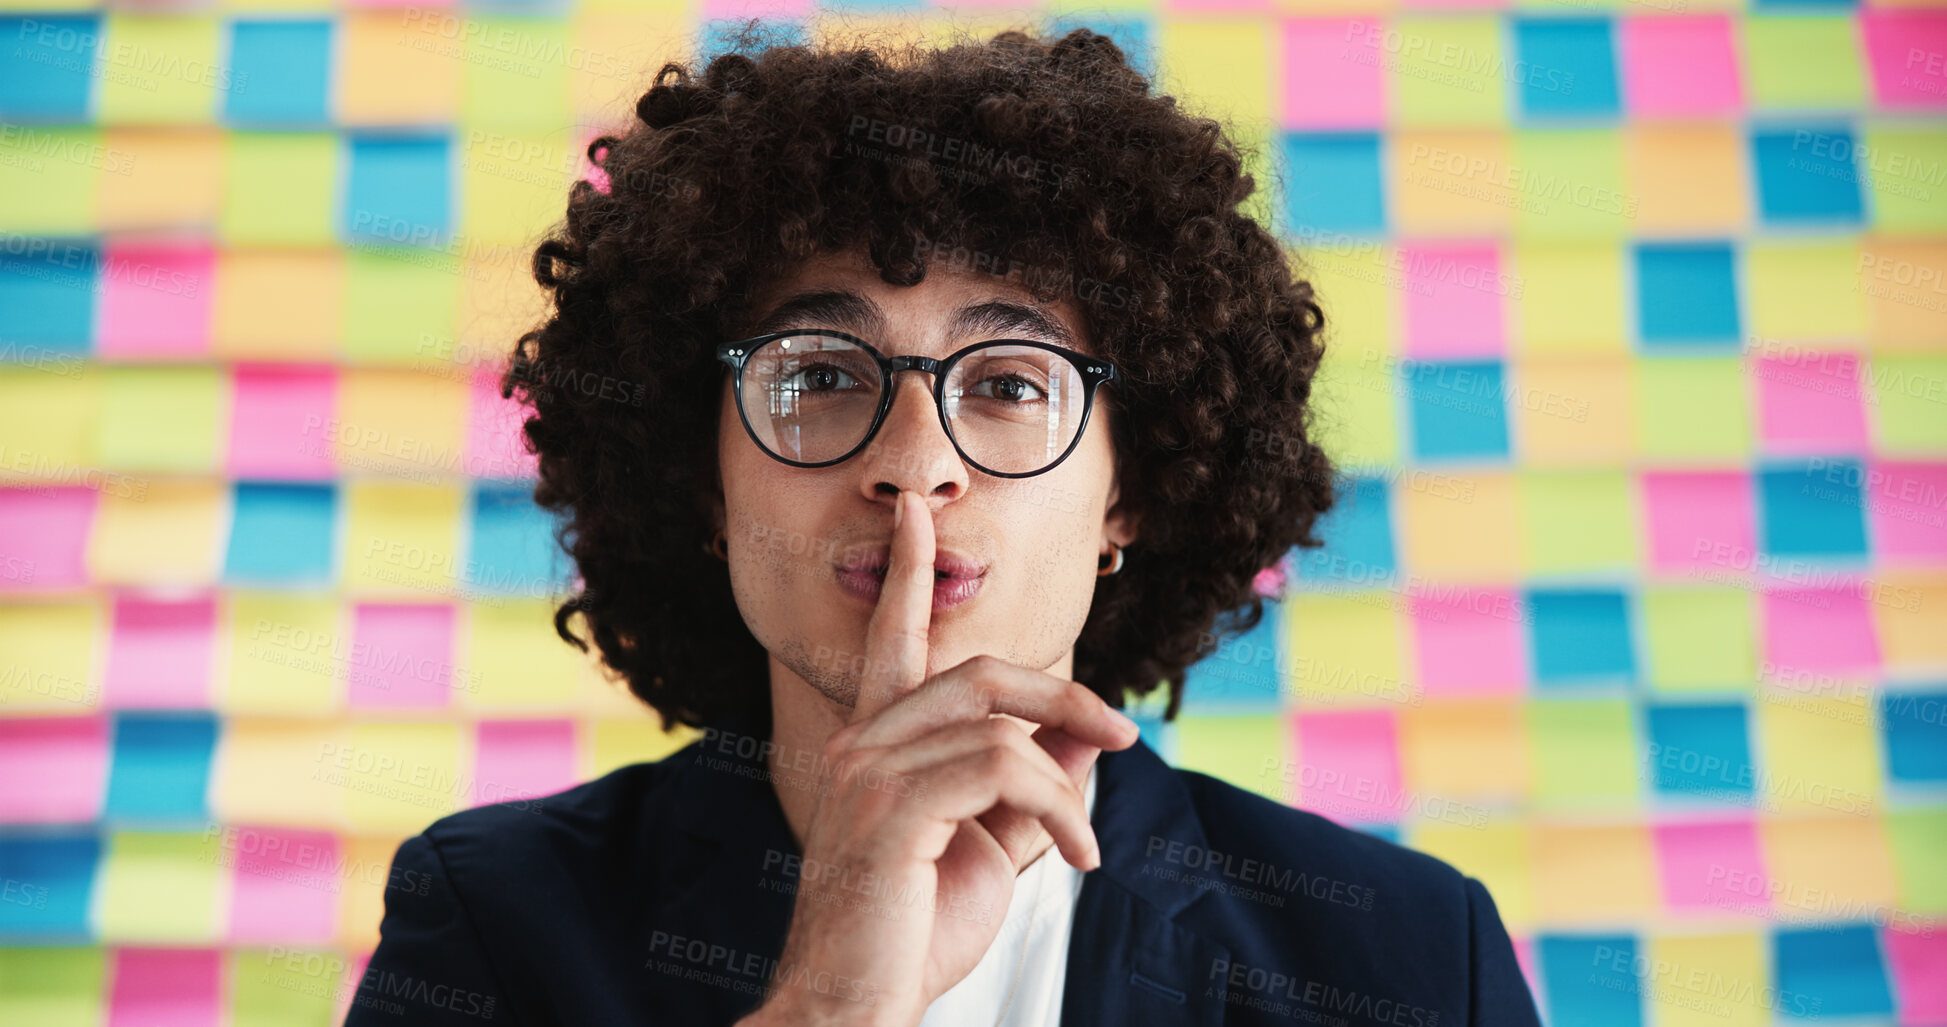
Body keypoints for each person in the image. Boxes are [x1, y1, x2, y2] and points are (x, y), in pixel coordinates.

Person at [344, 22, 1543, 1027]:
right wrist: (823, 998)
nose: (913, 468)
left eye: (1011, 384)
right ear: (703, 485)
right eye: (816, 379)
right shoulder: (497, 921)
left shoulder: (1413, 957)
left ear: (1128, 491)